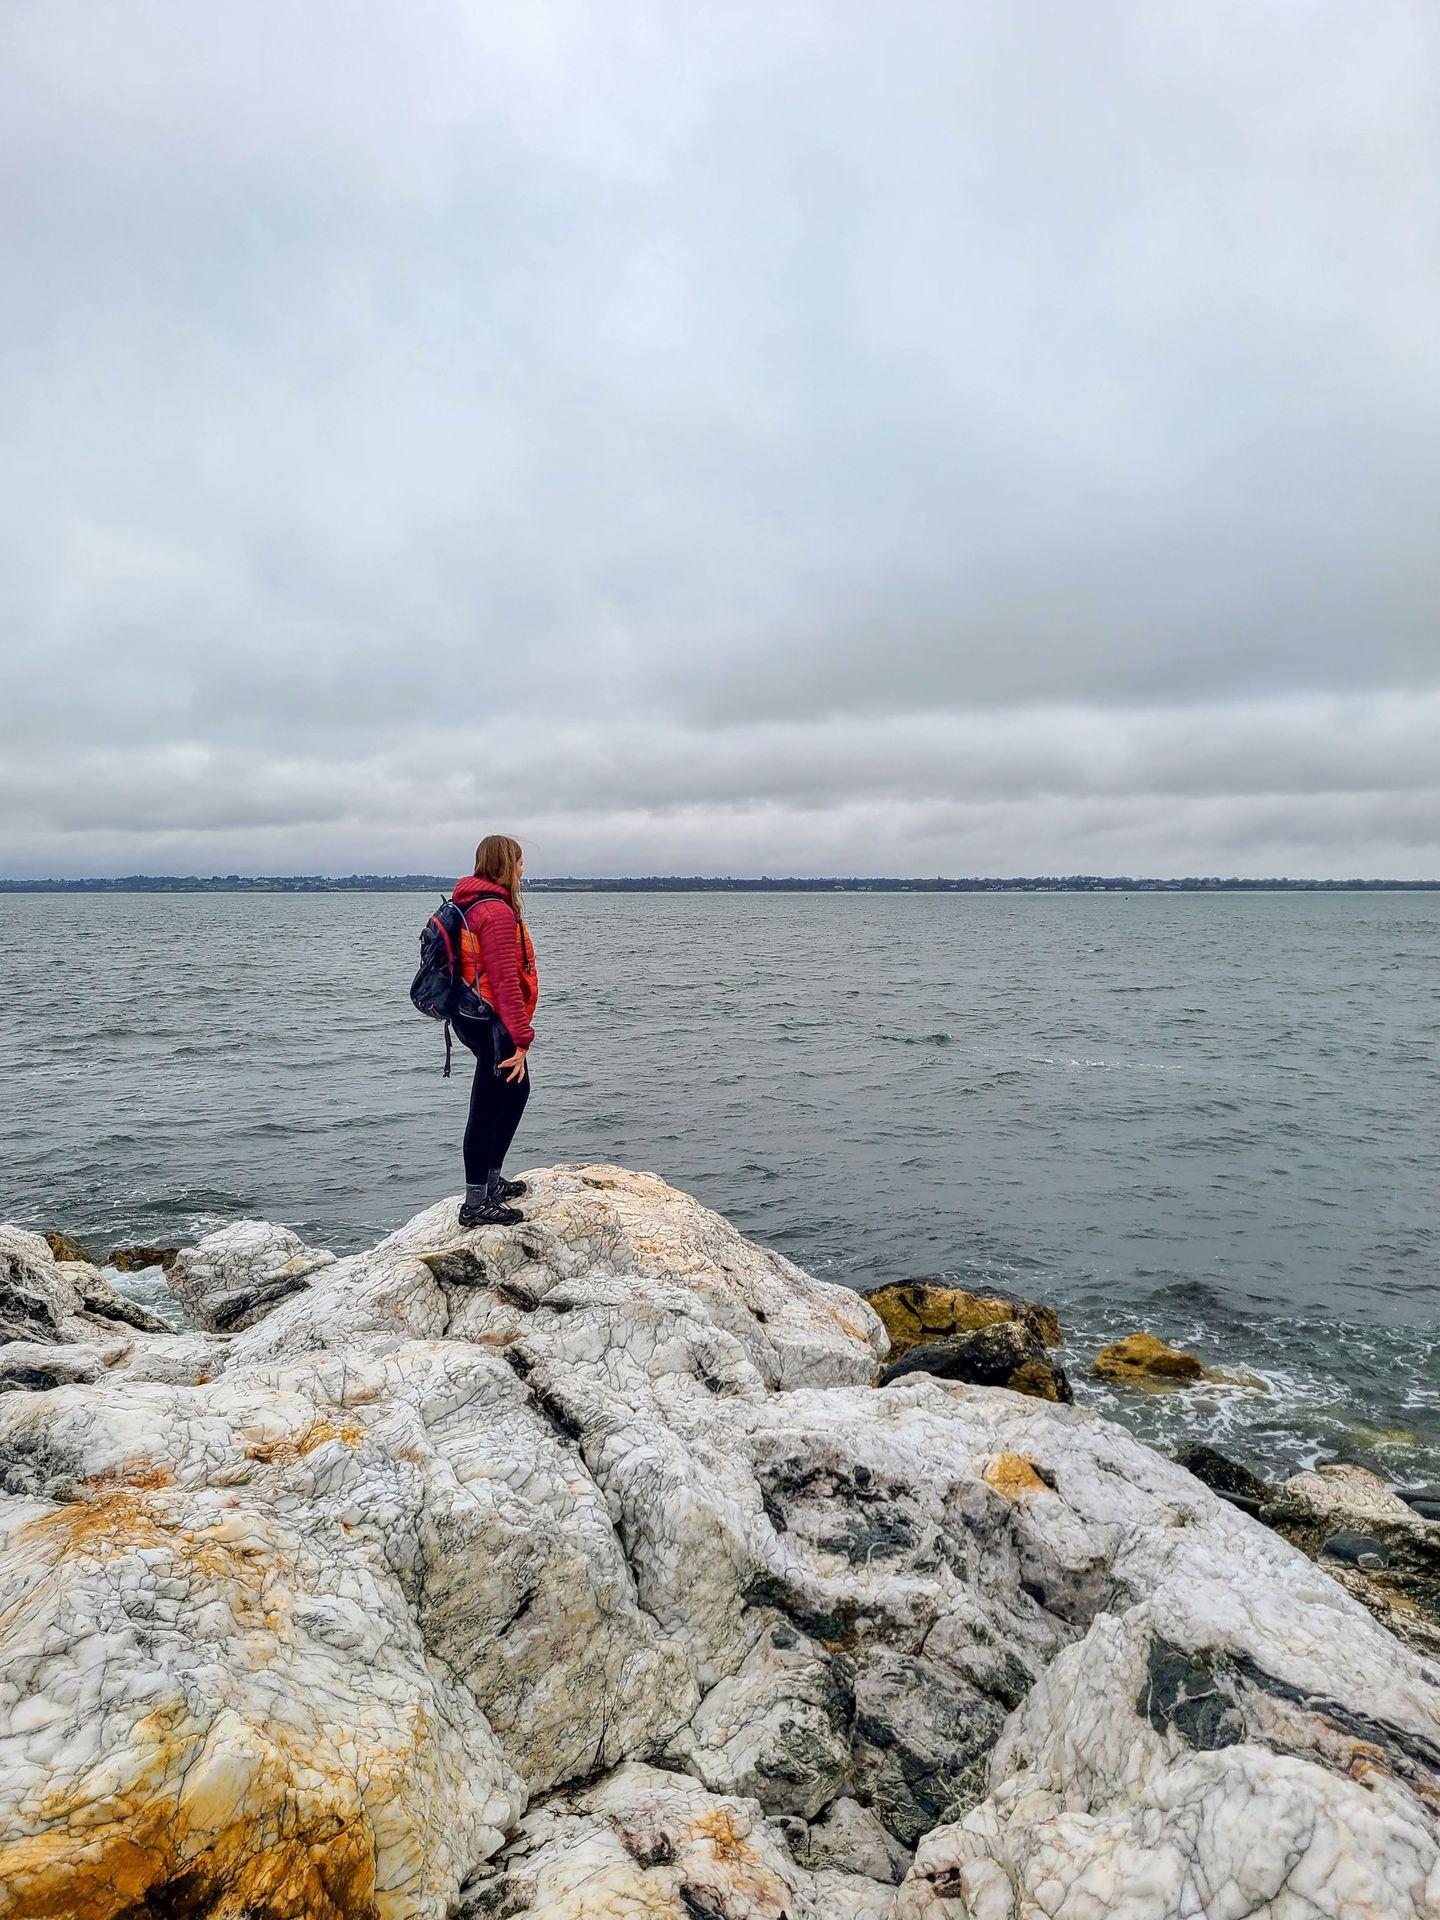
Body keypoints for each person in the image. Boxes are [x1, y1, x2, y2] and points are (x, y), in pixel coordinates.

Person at [450, 835, 538, 1227]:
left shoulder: (469, 902)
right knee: (486, 1106)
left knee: (515, 1090)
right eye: (519, 862)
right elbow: (504, 982)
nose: (523, 869)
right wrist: (521, 1039)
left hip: (470, 1014)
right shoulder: (496, 912)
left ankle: (490, 1182)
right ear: (506, 864)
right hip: (491, 1020)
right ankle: (475, 1204)